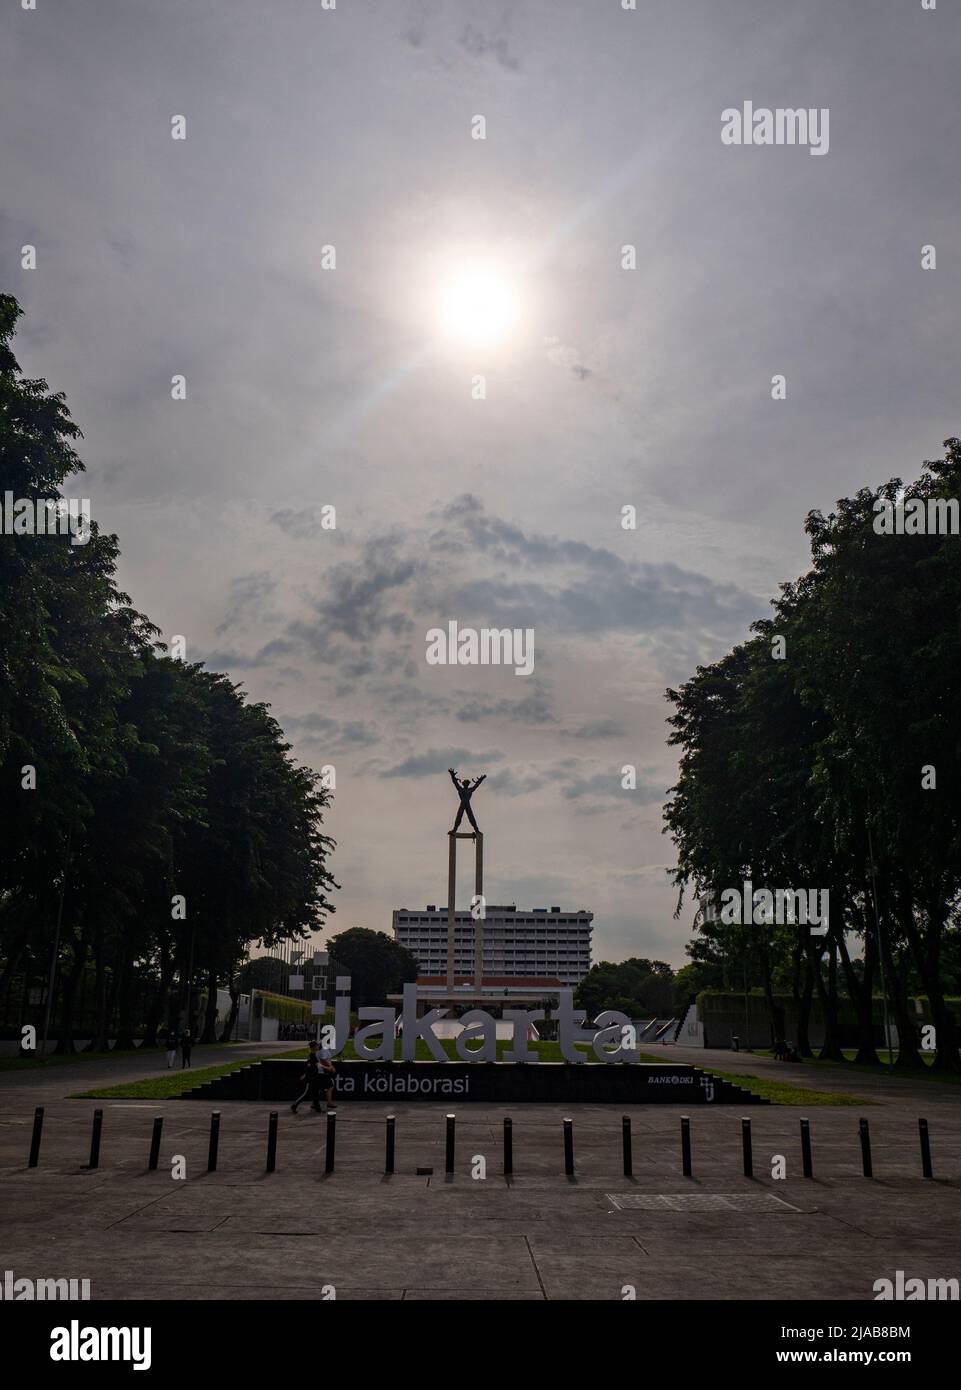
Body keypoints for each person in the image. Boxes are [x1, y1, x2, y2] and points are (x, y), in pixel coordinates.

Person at [291, 1041, 323, 1114]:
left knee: (316, 1093)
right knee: (306, 1094)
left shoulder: (313, 1055)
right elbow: (310, 1067)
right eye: (317, 1046)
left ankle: (318, 1108)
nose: (318, 1046)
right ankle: (294, 1105)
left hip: (314, 1077)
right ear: (314, 1047)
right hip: (311, 1078)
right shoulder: (313, 1056)